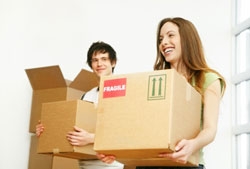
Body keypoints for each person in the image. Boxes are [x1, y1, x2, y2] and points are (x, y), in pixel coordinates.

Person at [97, 17, 226, 169]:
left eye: (170, 35)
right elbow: (139, 124)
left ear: (187, 39)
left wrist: (193, 145)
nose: (164, 42)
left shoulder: (208, 79)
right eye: (160, 39)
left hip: (185, 164)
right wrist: (114, 148)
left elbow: (210, 129)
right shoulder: (156, 80)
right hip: (150, 163)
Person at [36, 41, 124, 169]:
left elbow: (126, 132)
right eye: (95, 60)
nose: (99, 64)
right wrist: (47, 130)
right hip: (84, 162)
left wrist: (91, 138)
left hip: (111, 164)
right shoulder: (87, 95)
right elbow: (74, 126)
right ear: (91, 65)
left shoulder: (123, 90)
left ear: (113, 62)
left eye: (104, 59)